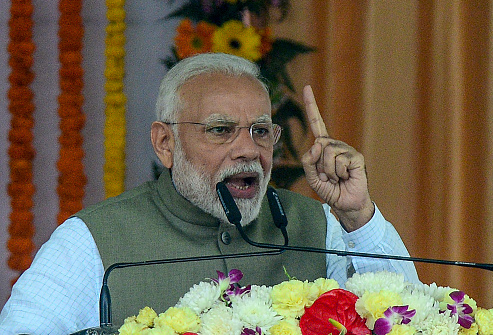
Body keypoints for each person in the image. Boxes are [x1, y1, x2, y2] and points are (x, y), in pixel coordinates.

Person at [0, 53, 418, 333]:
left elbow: (406, 317)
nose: (248, 150)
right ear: (166, 144)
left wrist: (358, 214)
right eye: (220, 130)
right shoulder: (92, 240)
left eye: (259, 131)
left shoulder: (316, 224)